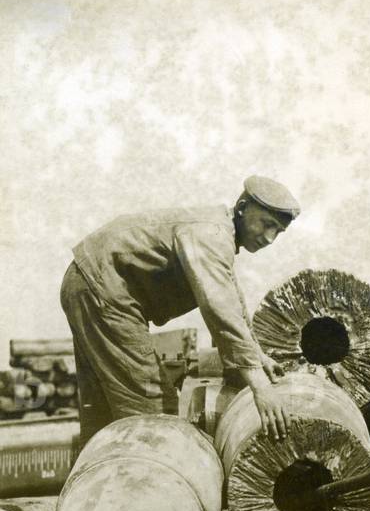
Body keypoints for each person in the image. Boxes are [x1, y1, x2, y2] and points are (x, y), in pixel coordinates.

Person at [61, 175, 300, 445]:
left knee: (101, 413)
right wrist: (261, 387)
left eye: (278, 232)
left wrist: (258, 355)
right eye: (267, 224)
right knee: (154, 410)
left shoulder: (218, 232)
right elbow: (220, 309)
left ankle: (100, 469)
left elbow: (233, 301)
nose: (270, 238)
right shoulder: (211, 235)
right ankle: (151, 469)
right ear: (243, 208)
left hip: (89, 280)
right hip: (103, 287)